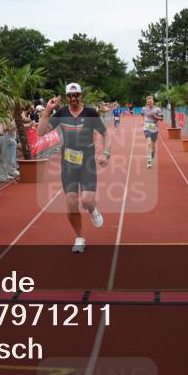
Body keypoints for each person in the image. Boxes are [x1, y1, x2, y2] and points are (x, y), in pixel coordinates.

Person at [37, 83, 111, 253]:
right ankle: (79, 237)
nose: (73, 99)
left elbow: (106, 134)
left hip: (87, 163)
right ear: (66, 98)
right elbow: (41, 132)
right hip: (69, 163)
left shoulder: (91, 113)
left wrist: (106, 153)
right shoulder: (61, 113)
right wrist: (48, 110)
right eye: (70, 96)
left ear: (80, 96)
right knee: (71, 202)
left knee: (86, 201)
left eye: (76, 95)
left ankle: (92, 210)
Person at [141, 95, 165, 169]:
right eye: (148, 102)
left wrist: (155, 117)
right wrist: (142, 121)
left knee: (153, 145)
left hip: (154, 127)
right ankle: (149, 161)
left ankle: (153, 153)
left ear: (153, 101)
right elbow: (142, 115)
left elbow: (161, 118)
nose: (149, 103)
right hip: (147, 126)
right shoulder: (144, 108)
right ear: (147, 102)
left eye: (151, 101)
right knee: (148, 143)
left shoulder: (157, 109)